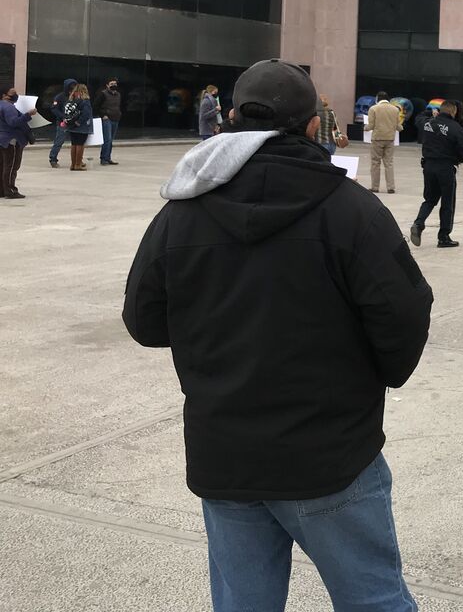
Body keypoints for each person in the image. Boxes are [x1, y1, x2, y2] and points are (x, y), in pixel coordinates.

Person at [122, 58, 431, 612]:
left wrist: (213, 338)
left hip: (226, 455)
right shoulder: (352, 211)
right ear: (313, 125)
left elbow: (144, 320)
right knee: (374, 601)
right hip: (330, 454)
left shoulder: (182, 212)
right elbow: (404, 315)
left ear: (231, 118)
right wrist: (378, 376)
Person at [410, 100, 463, 247]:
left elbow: (418, 118)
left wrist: (429, 112)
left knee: (429, 199)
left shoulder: (427, 123)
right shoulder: (455, 128)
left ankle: (418, 223)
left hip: (428, 166)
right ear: (453, 111)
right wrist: (457, 159)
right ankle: (443, 237)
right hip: (446, 167)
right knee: (447, 202)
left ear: (439, 110)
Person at [1, 87, 37, 198]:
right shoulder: (9, 108)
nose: (16, 95)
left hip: (2, 140)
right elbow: (13, 122)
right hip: (11, 140)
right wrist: (28, 115)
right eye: (13, 93)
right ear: (4, 95)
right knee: (11, 166)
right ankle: (10, 190)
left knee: (2, 166)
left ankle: (2, 190)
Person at [62, 83, 94, 172]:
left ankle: (73, 164)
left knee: (74, 144)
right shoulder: (85, 101)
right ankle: (78, 164)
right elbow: (86, 114)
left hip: (71, 125)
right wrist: (79, 122)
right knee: (80, 144)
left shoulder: (72, 100)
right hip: (81, 126)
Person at [93, 77, 123, 165]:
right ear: (107, 85)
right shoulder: (103, 94)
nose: (114, 85)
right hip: (107, 119)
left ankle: (108, 157)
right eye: (111, 84)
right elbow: (95, 106)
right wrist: (103, 115)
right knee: (107, 139)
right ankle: (103, 158)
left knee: (111, 140)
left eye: (115, 84)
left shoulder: (118, 94)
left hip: (116, 118)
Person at [48, 77, 76, 167]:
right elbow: (54, 108)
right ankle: (53, 159)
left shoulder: (76, 96)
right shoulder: (60, 97)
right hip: (63, 123)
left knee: (77, 143)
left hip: (75, 123)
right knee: (59, 141)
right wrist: (63, 117)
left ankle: (77, 160)